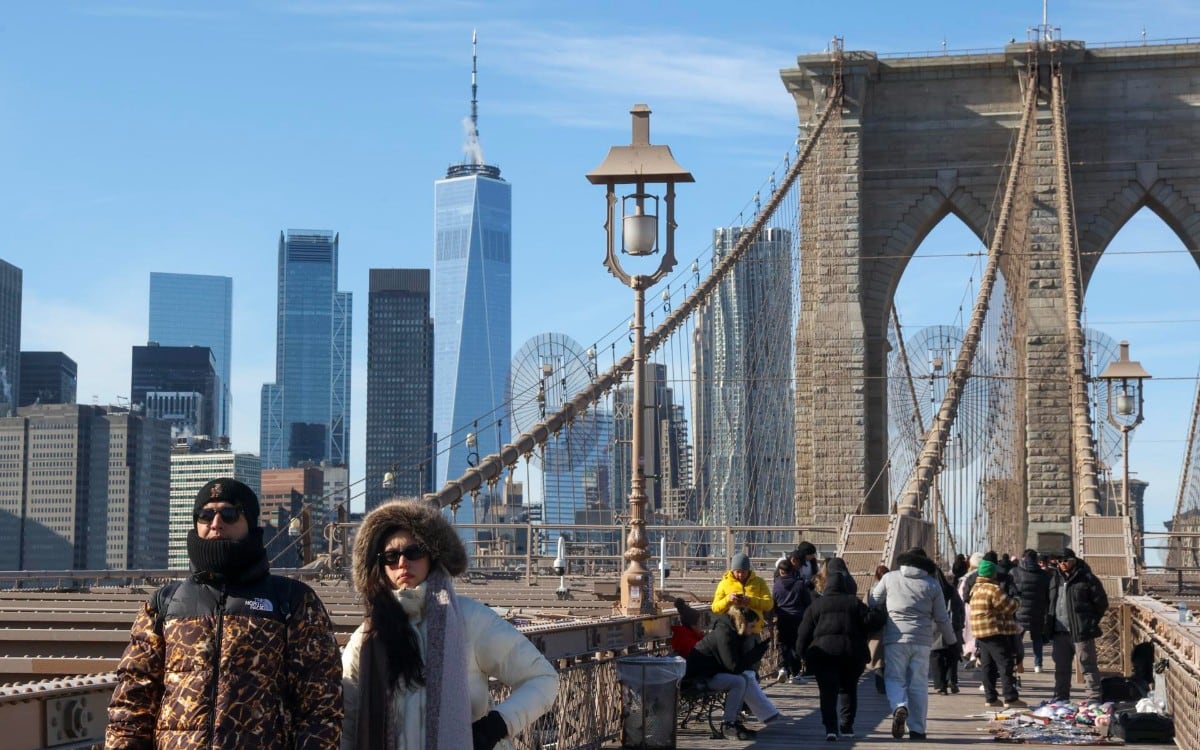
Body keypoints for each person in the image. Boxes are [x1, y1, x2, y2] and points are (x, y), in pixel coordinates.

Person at [105, 478, 343, 749]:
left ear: (251, 523)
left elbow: (321, 705)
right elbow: (131, 704)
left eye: (229, 514)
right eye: (206, 515)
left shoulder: (292, 601)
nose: (216, 523)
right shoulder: (164, 605)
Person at [341, 499, 559, 750]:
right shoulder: (364, 641)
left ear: (432, 556)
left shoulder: (469, 619)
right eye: (391, 556)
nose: (402, 562)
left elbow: (543, 678)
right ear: (380, 566)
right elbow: (349, 727)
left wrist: (495, 727)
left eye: (414, 552)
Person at [869, 548, 955, 742]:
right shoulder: (932, 584)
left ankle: (899, 705)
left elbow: (873, 601)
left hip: (895, 638)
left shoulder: (890, 578)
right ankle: (917, 729)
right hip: (923, 640)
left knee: (894, 678)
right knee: (919, 684)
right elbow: (942, 618)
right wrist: (952, 641)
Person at [796, 559, 871, 741]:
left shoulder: (816, 606)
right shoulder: (854, 603)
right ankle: (847, 726)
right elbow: (869, 622)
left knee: (827, 692)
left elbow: (804, 633)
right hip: (851, 653)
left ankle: (831, 728)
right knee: (848, 690)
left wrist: (801, 653)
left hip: (824, 655)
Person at [684, 606, 781, 740]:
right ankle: (728, 724)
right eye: (751, 627)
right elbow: (733, 667)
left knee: (745, 677)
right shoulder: (725, 633)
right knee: (739, 681)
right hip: (699, 679)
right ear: (743, 624)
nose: (752, 631)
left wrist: (755, 653)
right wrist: (755, 654)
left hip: (711, 673)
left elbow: (734, 665)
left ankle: (738, 720)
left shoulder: (733, 632)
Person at [1044, 548, 1109, 703]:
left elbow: (1101, 602)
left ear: (1073, 560)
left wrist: (1090, 622)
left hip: (1081, 632)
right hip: (1059, 632)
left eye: (1065, 560)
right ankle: (1061, 698)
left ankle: (1093, 699)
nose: (1062, 564)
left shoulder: (1087, 578)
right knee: (1061, 669)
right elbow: (1050, 602)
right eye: (1059, 561)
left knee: (1087, 666)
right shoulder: (1055, 580)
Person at [969, 558, 1025, 709]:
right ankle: (1010, 697)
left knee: (988, 665)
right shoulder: (993, 589)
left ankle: (991, 698)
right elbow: (1009, 607)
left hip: (980, 632)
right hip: (993, 630)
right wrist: (1018, 601)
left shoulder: (976, 588)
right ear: (992, 574)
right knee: (1005, 663)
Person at [712, 552, 774, 635]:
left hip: (753, 629)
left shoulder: (759, 582)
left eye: (744, 572)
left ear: (748, 570)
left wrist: (751, 600)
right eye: (738, 572)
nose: (740, 575)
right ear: (732, 570)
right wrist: (728, 600)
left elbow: (769, 604)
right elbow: (715, 608)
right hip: (732, 630)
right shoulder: (724, 583)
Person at [1011, 549, 1050, 674]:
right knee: (1037, 638)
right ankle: (1038, 665)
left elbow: (1011, 591)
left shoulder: (1015, 572)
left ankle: (1018, 663)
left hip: (1019, 611)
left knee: (1018, 640)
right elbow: (1048, 593)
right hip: (1038, 611)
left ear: (1023, 558)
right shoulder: (1044, 575)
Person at [772, 558, 810, 683]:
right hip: (798, 618)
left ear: (780, 571)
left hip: (783, 618)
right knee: (795, 645)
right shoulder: (800, 584)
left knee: (783, 644)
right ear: (792, 570)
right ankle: (794, 673)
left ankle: (783, 668)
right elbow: (807, 602)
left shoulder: (776, 585)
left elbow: (774, 602)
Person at [930, 567, 965, 695]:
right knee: (952, 655)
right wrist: (960, 624)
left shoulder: (929, 590)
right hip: (952, 627)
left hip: (933, 628)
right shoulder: (951, 589)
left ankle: (941, 686)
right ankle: (952, 680)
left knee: (936, 657)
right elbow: (960, 608)